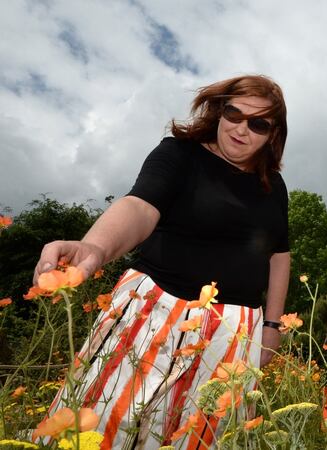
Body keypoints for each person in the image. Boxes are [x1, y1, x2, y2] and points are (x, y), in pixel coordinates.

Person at [32, 75, 290, 449]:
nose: (241, 128)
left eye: (258, 123)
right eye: (234, 113)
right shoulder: (179, 154)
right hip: (154, 313)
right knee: (103, 426)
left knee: (203, 438)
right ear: (219, 110)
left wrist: (271, 325)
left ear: (273, 134)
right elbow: (139, 206)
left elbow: (279, 255)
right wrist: (95, 248)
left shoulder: (273, 186)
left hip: (234, 332)